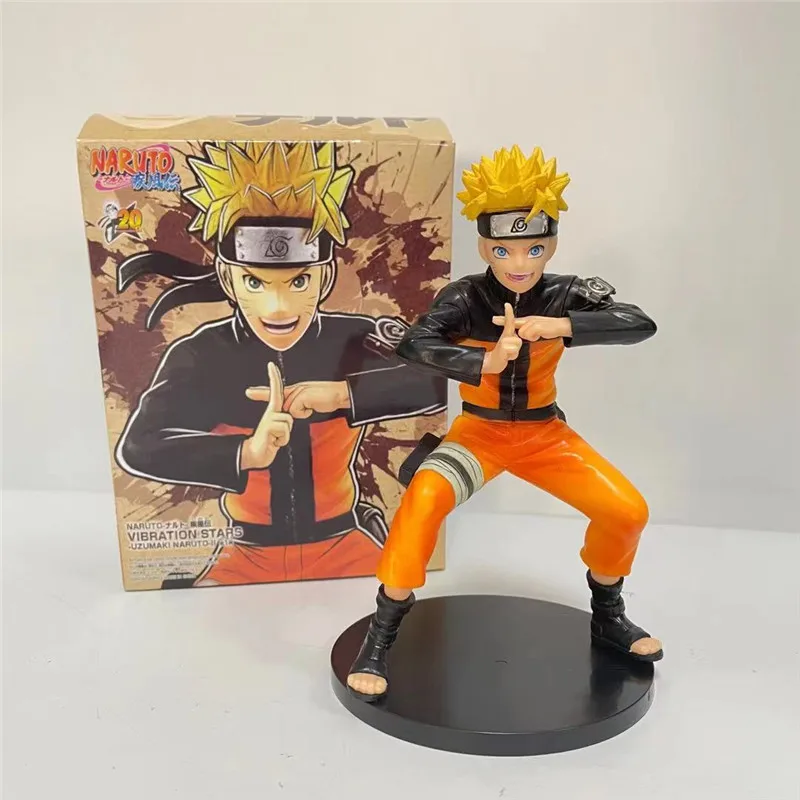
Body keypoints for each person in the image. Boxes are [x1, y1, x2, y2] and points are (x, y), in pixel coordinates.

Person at [347, 144, 661, 702]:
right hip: (479, 436)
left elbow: (639, 323)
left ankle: (608, 615)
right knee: (423, 501)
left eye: (534, 248)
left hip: (546, 436)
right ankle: (380, 637)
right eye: (503, 249)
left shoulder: (565, 293)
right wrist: (482, 362)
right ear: (484, 246)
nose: (519, 262)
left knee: (627, 511)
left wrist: (560, 325)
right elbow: (415, 343)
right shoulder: (466, 297)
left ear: (552, 243)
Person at [115, 140, 445, 586]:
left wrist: (344, 394)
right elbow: (137, 446)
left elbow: (443, 381)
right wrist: (246, 452)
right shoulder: (201, 354)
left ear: (325, 276)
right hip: (244, 555)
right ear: (228, 278)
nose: (278, 307)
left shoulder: (356, 338)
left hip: (347, 546)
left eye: (299, 281)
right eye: (255, 282)